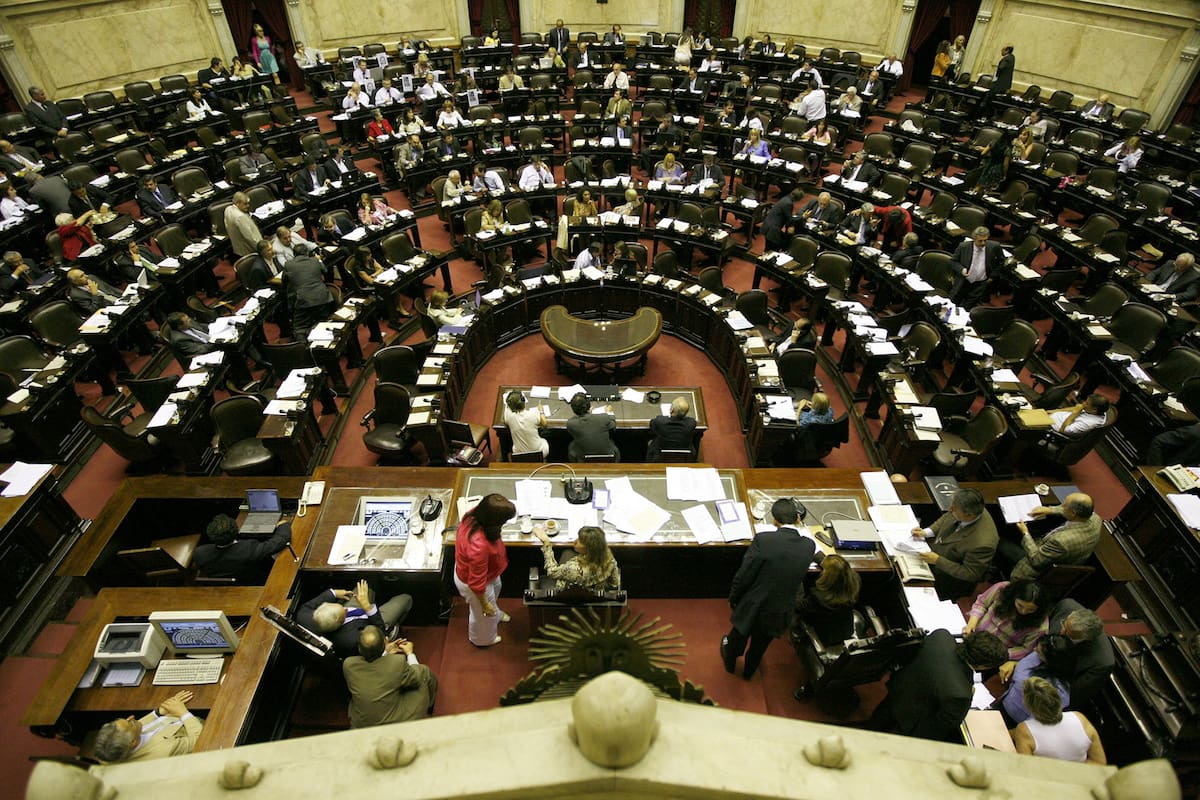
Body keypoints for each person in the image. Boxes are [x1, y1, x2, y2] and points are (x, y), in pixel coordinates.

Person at [722, 498, 818, 679]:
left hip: (753, 604)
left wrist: (734, 597)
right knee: (760, 645)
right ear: (798, 518)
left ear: (774, 520)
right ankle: (749, 671)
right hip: (780, 610)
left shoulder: (763, 540)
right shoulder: (809, 545)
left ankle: (730, 662)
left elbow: (744, 575)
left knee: (739, 636)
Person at [870, 630, 1006, 742]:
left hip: (897, 691)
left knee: (874, 725)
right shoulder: (962, 694)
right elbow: (942, 727)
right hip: (908, 722)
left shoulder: (942, 636)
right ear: (984, 666)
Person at [911, 487, 998, 600]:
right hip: (937, 556)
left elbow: (971, 573)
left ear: (969, 515)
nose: (950, 509)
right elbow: (947, 517)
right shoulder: (964, 507)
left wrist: (938, 560)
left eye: (954, 509)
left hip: (950, 580)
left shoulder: (983, 543)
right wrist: (927, 532)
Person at [343, 626, 438, 727]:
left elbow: (376, 670)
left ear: (359, 647)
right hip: (394, 721)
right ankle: (430, 707)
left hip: (362, 723)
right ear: (385, 641)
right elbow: (417, 678)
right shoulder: (397, 662)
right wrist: (410, 653)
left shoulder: (349, 665)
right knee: (424, 672)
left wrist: (385, 652)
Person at [454, 493, 515, 647]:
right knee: (483, 615)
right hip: (476, 584)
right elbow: (476, 582)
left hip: (489, 573)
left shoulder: (474, 515)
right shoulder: (479, 545)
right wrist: (484, 604)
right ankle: (482, 639)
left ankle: (495, 613)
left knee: (496, 590)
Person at [297, 580, 413, 659]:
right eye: (344, 611)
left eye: (342, 606)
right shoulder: (351, 640)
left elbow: (307, 606)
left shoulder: (304, 616)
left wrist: (333, 593)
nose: (345, 608)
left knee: (367, 582)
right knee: (406, 599)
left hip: (358, 612)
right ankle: (393, 628)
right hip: (374, 622)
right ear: (340, 623)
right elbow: (379, 632)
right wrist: (367, 607)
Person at [1004, 493, 1103, 581]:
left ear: (1073, 513)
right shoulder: (1095, 518)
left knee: (1002, 541)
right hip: (1066, 557)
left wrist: (1025, 533)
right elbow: (1068, 511)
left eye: (1064, 506)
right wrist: (1050, 510)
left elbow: (1036, 560)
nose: (1062, 506)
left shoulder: (1061, 541)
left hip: (1037, 567)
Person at [965, 580, 1049, 680]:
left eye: (1031, 610)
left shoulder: (1041, 626)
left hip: (994, 656)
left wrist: (997, 653)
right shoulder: (1002, 589)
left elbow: (1026, 649)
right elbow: (981, 603)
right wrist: (971, 624)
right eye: (1020, 605)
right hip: (975, 636)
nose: (1023, 612)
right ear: (1014, 597)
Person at [1012, 677, 1107, 763]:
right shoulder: (1080, 718)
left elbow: (1026, 770)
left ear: (1028, 705)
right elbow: (1099, 762)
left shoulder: (1024, 730)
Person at [93, 691, 202, 762]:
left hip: (171, 717)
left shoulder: (112, 750)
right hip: (198, 725)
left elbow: (139, 727)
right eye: (130, 723)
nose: (131, 717)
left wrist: (159, 713)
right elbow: (200, 740)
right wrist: (183, 712)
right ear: (133, 743)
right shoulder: (164, 750)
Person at [998, 633, 1075, 726]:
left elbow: (1020, 679)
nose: (1034, 650)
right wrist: (1014, 663)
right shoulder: (1039, 654)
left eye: (1038, 652)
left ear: (1050, 660)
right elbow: (1021, 669)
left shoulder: (1061, 694)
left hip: (1019, 723)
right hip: (1005, 701)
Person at [194, 513, 291, 583]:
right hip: (255, 581)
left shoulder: (200, 553)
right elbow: (280, 541)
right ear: (236, 531)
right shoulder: (248, 550)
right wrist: (283, 525)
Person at [1049, 600, 1114, 705]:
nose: (1061, 632)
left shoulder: (1102, 663)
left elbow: (1072, 695)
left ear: (1087, 639)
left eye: (1069, 635)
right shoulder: (1066, 605)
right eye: (1064, 625)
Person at [793, 552, 860, 646]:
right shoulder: (854, 583)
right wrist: (825, 561)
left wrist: (796, 578)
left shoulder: (819, 599)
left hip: (825, 636)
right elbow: (839, 571)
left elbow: (797, 606)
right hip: (845, 630)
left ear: (827, 577)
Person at [534, 524, 621, 593]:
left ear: (589, 549)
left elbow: (551, 571)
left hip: (569, 593)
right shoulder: (609, 559)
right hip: (595, 593)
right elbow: (614, 583)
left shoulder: (573, 568)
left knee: (566, 554)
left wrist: (546, 543)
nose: (575, 541)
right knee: (567, 553)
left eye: (580, 542)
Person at [283, 251, 335, 339]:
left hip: (304, 300)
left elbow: (284, 281)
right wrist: (319, 261)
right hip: (322, 298)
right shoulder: (315, 260)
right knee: (322, 323)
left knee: (300, 327)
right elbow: (325, 270)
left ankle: (303, 348)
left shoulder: (288, 264)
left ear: (294, 255)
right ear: (306, 253)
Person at [952, 225, 1004, 308]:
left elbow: (1001, 262)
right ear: (974, 239)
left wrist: (993, 276)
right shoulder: (963, 246)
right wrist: (961, 269)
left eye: (985, 240)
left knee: (968, 307)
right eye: (980, 241)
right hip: (963, 281)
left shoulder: (994, 246)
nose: (983, 243)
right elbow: (953, 261)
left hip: (981, 283)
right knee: (954, 303)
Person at [566, 392, 619, 461]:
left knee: (572, 445)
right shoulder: (604, 417)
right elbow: (613, 427)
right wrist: (609, 412)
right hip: (608, 457)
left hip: (583, 459)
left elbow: (585, 426)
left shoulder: (571, 423)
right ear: (588, 405)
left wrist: (587, 413)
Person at [647, 397, 697, 461]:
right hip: (684, 456)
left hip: (659, 455)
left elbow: (652, 426)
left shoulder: (660, 421)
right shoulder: (691, 423)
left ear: (671, 410)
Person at [503, 390, 548, 458]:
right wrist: (541, 410)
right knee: (544, 440)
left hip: (519, 454)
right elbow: (544, 423)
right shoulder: (533, 414)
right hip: (538, 452)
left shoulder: (508, 416)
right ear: (523, 401)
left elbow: (507, 409)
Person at [224, 191, 263, 257]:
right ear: (237, 203)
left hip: (237, 249)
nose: (248, 206)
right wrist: (261, 249)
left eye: (248, 203)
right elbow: (250, 238)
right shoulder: (241, 217)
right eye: (245, 204)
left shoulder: (228, 209)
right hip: (248, 251)